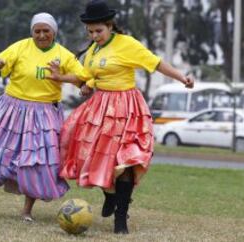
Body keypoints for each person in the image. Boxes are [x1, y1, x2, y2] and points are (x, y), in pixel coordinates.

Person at [57, 0, 195, 234]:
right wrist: (82, 84)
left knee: (126, 162)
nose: (94, 35)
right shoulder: (92, 50)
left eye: (98, 31)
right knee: (94, 157)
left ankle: (121, 219)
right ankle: (110, 196)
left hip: (127, 109)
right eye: (90, 31)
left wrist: (182, 78)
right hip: (100, 109)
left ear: (110, 25)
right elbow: (88, 76)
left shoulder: (127, 44)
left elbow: (156, 63)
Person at [0, 12, 91, 222]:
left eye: (45, 31)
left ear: (54, 32)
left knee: (37, 163)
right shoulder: (20, 47)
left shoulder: (63, 54)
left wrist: (81, 85)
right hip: (14, 109)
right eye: (36, 31)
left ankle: (27, 211)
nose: (41, 35)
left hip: (45, 113)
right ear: (32, 32)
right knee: (3, 153)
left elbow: (83, 77)